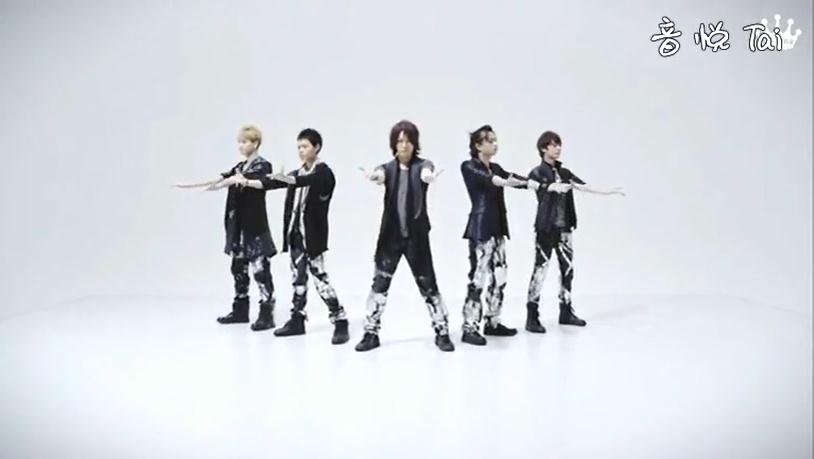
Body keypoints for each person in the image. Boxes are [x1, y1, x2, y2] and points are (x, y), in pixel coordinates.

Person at [235, 128, 350, 345]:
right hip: (295, 234)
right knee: (298, 279)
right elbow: (272, 184)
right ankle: (297, 319)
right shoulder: (297, 173)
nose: (301, 151)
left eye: (305, 146)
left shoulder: (324, 173)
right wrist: (247, 182)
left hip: (313, 238)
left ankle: (340, 319)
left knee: (321, 279)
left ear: (317, 147)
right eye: (298, 147)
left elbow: (307, 181)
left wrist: (287, 179)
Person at [354, 120, 454, 352]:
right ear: (394, 144)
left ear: (415, 143)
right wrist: (374, 176)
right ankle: (370, 332)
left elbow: (427, 170)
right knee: (379, 284)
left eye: (408, 141)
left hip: (416, 237)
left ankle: (442, 331)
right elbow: (380, 174)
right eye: (399, 141)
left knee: (428, 284)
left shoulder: (422, 165)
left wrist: (428, 176)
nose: (404, 145)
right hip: (391, 236)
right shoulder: (388, 168)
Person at [174, 125, 277, 331]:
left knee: (260, 270)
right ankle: (240, 310)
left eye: (244, 142)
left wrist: (233, 181)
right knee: (238, 268)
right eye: (240, 142)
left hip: (254, 227)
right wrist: (193, 186)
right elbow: (222, 180)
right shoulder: (239, 167)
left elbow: (250, 181)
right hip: (237, 226)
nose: (241, 146)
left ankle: (267, 313)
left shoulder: (263, 166)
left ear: (255, 143)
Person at [524, 130, 625, 333]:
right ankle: (532, 316)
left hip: (565, 228)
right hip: (546, 229)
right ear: (543, 148)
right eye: (553, 145)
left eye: (559, 144)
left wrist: (609, 191)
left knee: (568, 270)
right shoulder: (537, 172)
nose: (558, 148)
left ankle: (566, 311)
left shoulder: (565, 173)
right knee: (540, 270)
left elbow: (583, 186)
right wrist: (551, 186)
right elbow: (534, 186)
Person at [459, 124, 538, 346]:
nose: (495, 144)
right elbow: (488, 179)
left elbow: (512, 178)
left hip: (498, 229)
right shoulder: (469, 166)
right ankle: (469, 327)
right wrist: (504, 181)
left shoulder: (496, 167)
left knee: (500, 277)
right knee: (477, 279)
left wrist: (533, 183)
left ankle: (492, 321)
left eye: (495, 140)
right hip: (480, 229)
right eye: (490, 141)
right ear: (478, 145)